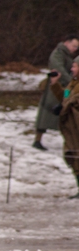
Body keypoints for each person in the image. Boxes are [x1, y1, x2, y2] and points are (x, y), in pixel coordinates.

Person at [34, 35, 78, 150]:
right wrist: (70, 81)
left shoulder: (67, 55)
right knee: (48, 114)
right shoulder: (58, 54)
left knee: (66, 113)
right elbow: (58, 69)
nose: (75, 49)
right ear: (66, 43)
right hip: (55, 88)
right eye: (74, 46)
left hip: (64, 88)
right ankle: (37, 140)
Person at [49, 57, 79, 197]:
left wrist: (66, 105)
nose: (72, 69)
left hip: (77, 126)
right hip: (71, 127)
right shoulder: (73, 83)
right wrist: (55, 84)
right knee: (73, 155)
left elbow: (74, 101)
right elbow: (65, 98)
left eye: (74, 66)